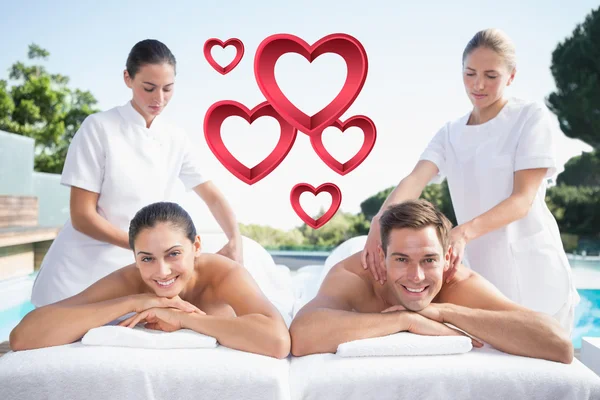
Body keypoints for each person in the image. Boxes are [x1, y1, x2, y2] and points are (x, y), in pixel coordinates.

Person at [360, 28, 578, 330]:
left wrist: (462, 234)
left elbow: (522, 200)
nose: (478, 84)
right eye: (470, 73)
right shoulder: (451, 133)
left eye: (491, 75)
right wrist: (379, 221)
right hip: (483, 268)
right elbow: (415, 179)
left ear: (511, 76)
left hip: (534, 264)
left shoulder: (529, 118)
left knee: (544, 347)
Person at [32, 39, 243, 307]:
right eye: (149, 88)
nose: (159, 99)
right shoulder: (99, 128)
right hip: (82, 269)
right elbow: (82, 216)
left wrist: (234, 238)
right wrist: (146, 249)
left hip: (138, 264)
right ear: (127, 78)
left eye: (168, 88)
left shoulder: (175, 137)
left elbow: (211, 194)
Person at [290, 200, 573, 364]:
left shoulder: (457, 282)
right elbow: (302, 336)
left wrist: (444, 312)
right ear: (382, 256)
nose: (417, 276)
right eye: (401, 260)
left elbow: (558, 343)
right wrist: (406, 320)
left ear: (448, 257)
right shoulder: (354, 276)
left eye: (429, 260)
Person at [11, 202, 290, 359]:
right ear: (134, 257)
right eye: (146, 258)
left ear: (196, 246)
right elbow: (23, 336)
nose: (162, 271)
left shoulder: (224, 274)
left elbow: (277, 341)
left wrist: (184, 319)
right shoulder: (131, 281)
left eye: (174, 254)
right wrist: (134, 301)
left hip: (255, 266)